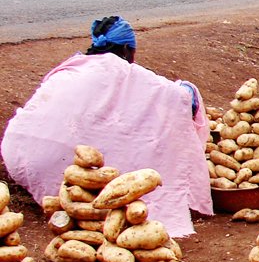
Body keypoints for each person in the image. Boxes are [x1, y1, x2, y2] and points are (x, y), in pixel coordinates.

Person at [1, 17, 212, 237]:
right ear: (126, 48)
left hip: (17, 152)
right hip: (56, 163)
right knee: (133, 141)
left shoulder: (73, 66)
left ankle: (63, 198)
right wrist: (190, 89)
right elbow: (180, 98)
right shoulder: (121, 70)